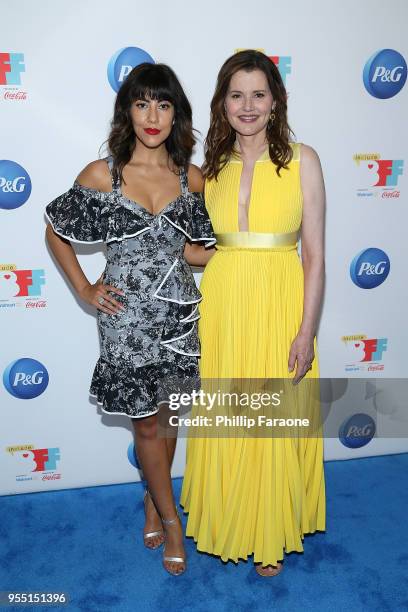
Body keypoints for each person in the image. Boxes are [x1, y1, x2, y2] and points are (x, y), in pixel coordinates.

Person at [45, 62, 215, 576]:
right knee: (145, 424)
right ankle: (171, 520)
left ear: (176, 113)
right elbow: (57, 232)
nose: (152, 115)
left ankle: (152, 497)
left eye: (163, 104)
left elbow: (190, 252)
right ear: (127, 111)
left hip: (178, 317)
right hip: (125, 321)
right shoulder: (105, 175)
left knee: (168, 420)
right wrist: (84, 287)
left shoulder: (192, 178)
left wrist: (252, 252)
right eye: (142, 103)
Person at [180, 50, 326, 576]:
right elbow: (190, 240)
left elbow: (315, 256)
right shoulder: (208, 170)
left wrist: (306, 332)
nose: (247, 106)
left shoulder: (303, 159)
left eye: (258, 94)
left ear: (275, 101)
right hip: (223, 304)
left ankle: (269, 532)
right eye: (236, 95)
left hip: (281, 299)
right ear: (222, 103)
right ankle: (229, 521)